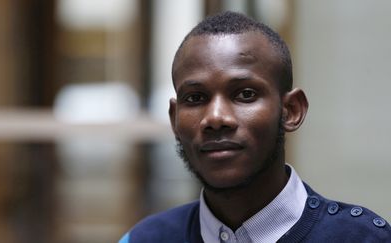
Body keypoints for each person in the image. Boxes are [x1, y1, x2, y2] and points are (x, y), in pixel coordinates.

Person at [119, 11, 391, 243]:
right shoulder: (146, 238)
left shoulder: (361, 237)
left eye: (245, 94)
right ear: (174, 119)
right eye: (195, 98)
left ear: (291, 110)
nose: (215, 118)